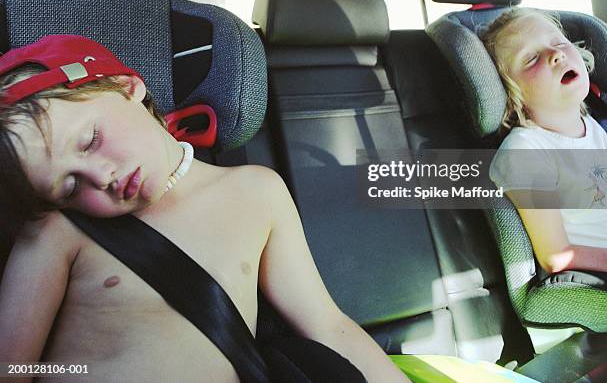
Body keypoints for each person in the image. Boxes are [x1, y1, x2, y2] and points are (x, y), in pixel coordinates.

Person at [0, 35, 409, 382]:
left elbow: (327, 325)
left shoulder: (257, 191)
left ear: (126, 87)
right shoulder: (59, 229)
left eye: (89, 140)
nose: (99, 175)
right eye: (70, 186)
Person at [481, 7, 607, 279]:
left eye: (559, 43)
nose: (556, 54)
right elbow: (555, 255)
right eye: (531, 58)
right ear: (511, 94)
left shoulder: (594, 128)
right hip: (590, 282)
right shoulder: (525, 152)